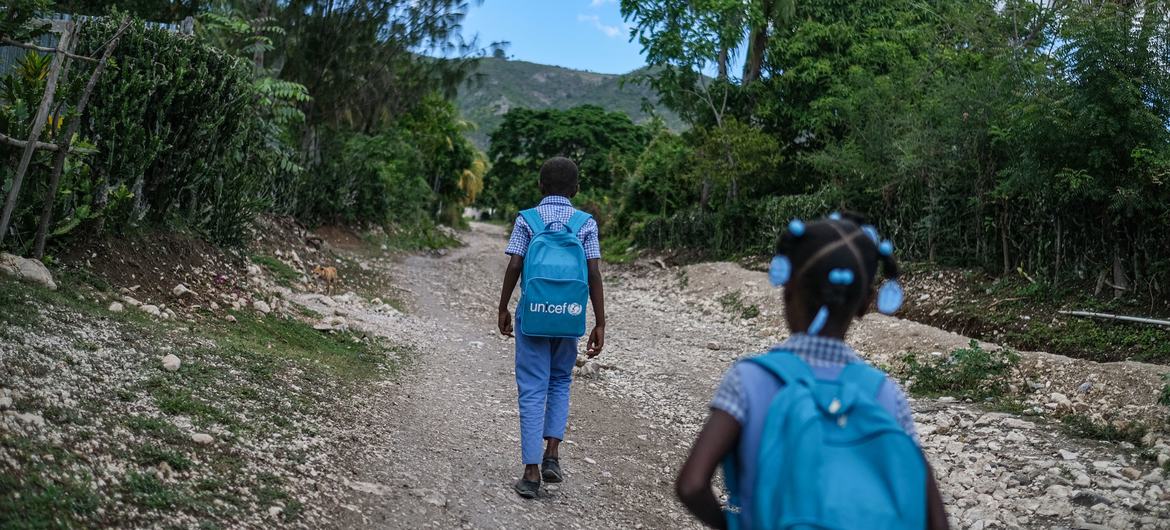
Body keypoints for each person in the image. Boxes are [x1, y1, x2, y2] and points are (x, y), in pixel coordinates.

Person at [675, 213, 949, 529]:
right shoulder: (885, 394)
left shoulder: (750, 379)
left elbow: (692, 485)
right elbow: (934, 517)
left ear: (788, 288)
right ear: (864, 305)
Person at [497, 157, 607, 499]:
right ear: (576, 190)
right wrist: (600, 322)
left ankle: (530, 473)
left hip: (533, 314)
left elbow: (516, 263)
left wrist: (503, 306)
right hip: (569, 315)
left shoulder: (527, 219)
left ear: (540, 186)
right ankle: (552, 456)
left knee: (532, 387)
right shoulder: (585, 223)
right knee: (560, 381)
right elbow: (593, 274)